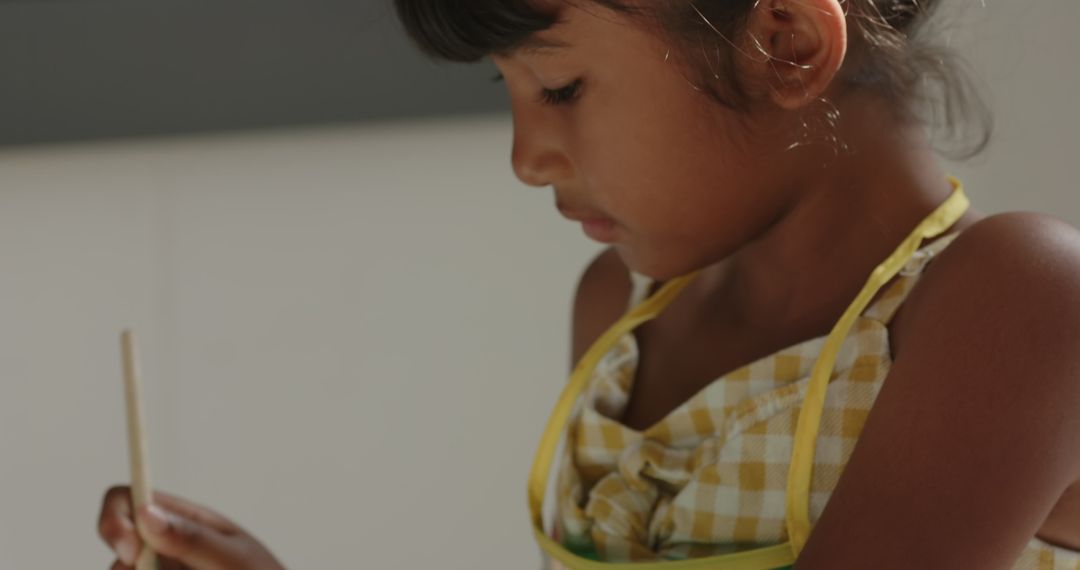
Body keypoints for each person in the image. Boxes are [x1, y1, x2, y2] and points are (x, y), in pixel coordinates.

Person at [98, 0, 1080, 568]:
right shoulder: (622, 314)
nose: (526, 158)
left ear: (785, 42)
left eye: (561, 87)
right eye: (510, 90)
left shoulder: (1015, 303)